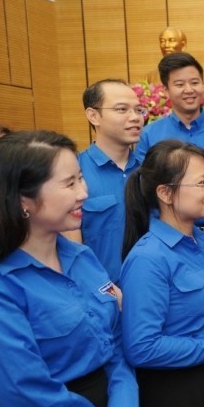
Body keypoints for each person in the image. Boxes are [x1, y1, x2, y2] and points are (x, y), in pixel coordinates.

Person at [0, 131, 138, 407]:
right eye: (69, 184)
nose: (83, 193)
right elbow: (23, 393)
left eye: (81, 178)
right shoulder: (4, 284)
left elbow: (116, 343)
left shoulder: (83, 258)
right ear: (24, 199)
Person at [120, 140, 204, 407]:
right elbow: (141, 347)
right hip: (174, 391)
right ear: (165, 193)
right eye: (201, 183)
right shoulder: (148, 258)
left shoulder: (200, 240)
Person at [135, 52, 204, 235]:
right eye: (179, 84)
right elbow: (144, 190)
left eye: (195, 82)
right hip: (169, 233)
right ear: (165, 90)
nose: (189, 90)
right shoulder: (149, 134)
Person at [69, 79, 144, 281]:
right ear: (93, 116)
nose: (135, 117)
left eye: (138, 110)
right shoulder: (73, 173)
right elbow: (71, 251)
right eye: (122, 109)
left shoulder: (151, 171)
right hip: (101, 294)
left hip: (153, 289)